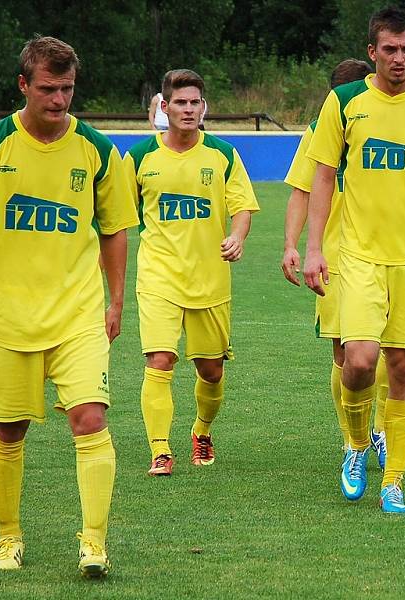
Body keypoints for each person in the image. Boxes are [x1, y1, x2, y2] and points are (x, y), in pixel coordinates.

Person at [0, 35, 137, 577]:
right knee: (7, 432)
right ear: (23, 85)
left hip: (79, 314)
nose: (59, 100)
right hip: (8, 317)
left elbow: (115, 229)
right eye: (48, 88)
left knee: (91, 419)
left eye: (67, 88)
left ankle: (94, 543)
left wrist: (117, 300)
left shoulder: (97, 150)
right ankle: (8, 537)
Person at [303, 6, 405, 513]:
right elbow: (323, 177)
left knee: (403, 369)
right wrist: (313, 248)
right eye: (390, 49)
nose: (400, 58)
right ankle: (356, 444)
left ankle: (393, 479)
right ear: (372, 52)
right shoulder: (345, 100)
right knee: (358, 361)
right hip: (358, 256)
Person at [124, 69, 259, 476]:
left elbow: (242, 208)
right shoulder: (140, 157)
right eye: (179, 102)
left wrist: (237, 236)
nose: (187, 109)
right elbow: (115, 217)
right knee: (160, 359)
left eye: (194, 102)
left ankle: (201, 430)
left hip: (210, 280)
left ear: (203, 108)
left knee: (210, 370)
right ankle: (160, 449)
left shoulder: (222, 154)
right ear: (165, 107)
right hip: (158, 276)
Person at [281, 58, 393, 468]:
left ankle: (377, 431)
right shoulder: (318, 133)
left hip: (387, 252)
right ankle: (353, 439)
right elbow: (300, 190)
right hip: (334, 256)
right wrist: (293, 244)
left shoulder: (387, 127)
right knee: (345, 351)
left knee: (378, 350)